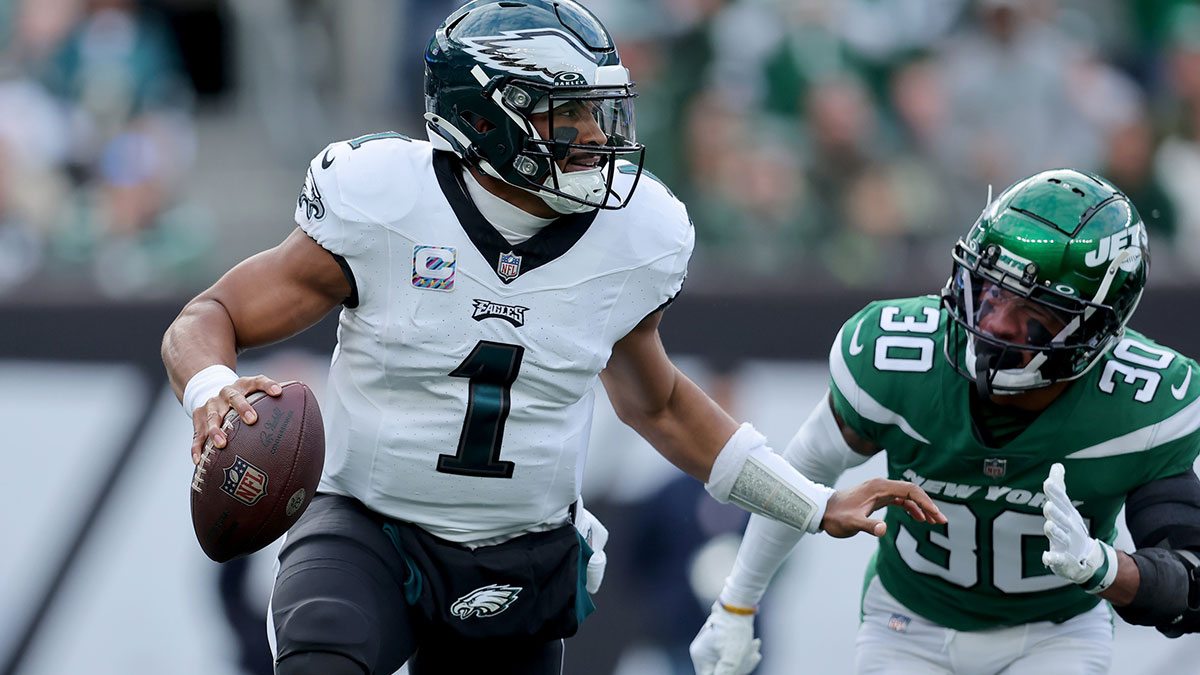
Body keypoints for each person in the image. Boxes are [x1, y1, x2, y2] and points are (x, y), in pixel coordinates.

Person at [160, 2, 943, 674]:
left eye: (600, 113)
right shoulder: (384, 200)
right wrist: (209, 389)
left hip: (520, 552)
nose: (595, 136)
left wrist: (811, 502)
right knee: (321, 654)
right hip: (371, 529)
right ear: (484, 114)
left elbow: (662, 405)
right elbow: (208, 317)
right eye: (566, 115)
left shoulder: (636, 237)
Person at [690, 167, 1200, 675]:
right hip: (907, 626)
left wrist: (1106, 569)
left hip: (1057, 634)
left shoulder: (1143, 403)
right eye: (989, 289)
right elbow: (804, 468)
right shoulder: (900, 361)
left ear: (1094, 330)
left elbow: (1191, 582)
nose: (994, 322)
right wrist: (736, 602)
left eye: (1034, 312)